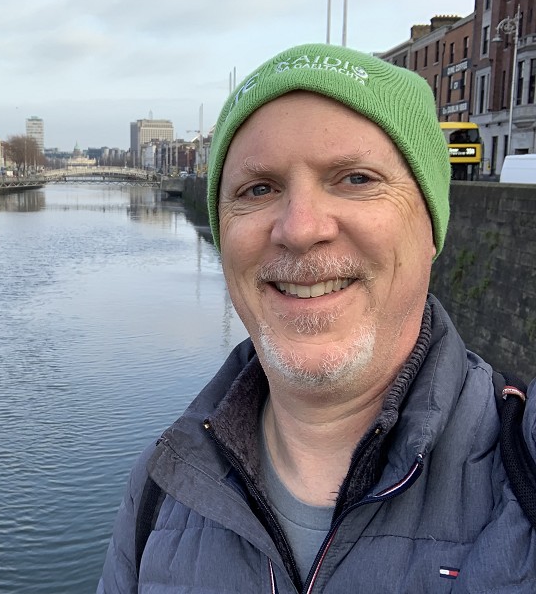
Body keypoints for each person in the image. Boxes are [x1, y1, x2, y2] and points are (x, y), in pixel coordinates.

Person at [97, 42, 536, 592]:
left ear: (431, 225)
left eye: (356, 179)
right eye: (259, 189)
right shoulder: (160, 490)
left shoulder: (524, 471)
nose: (300, 228)